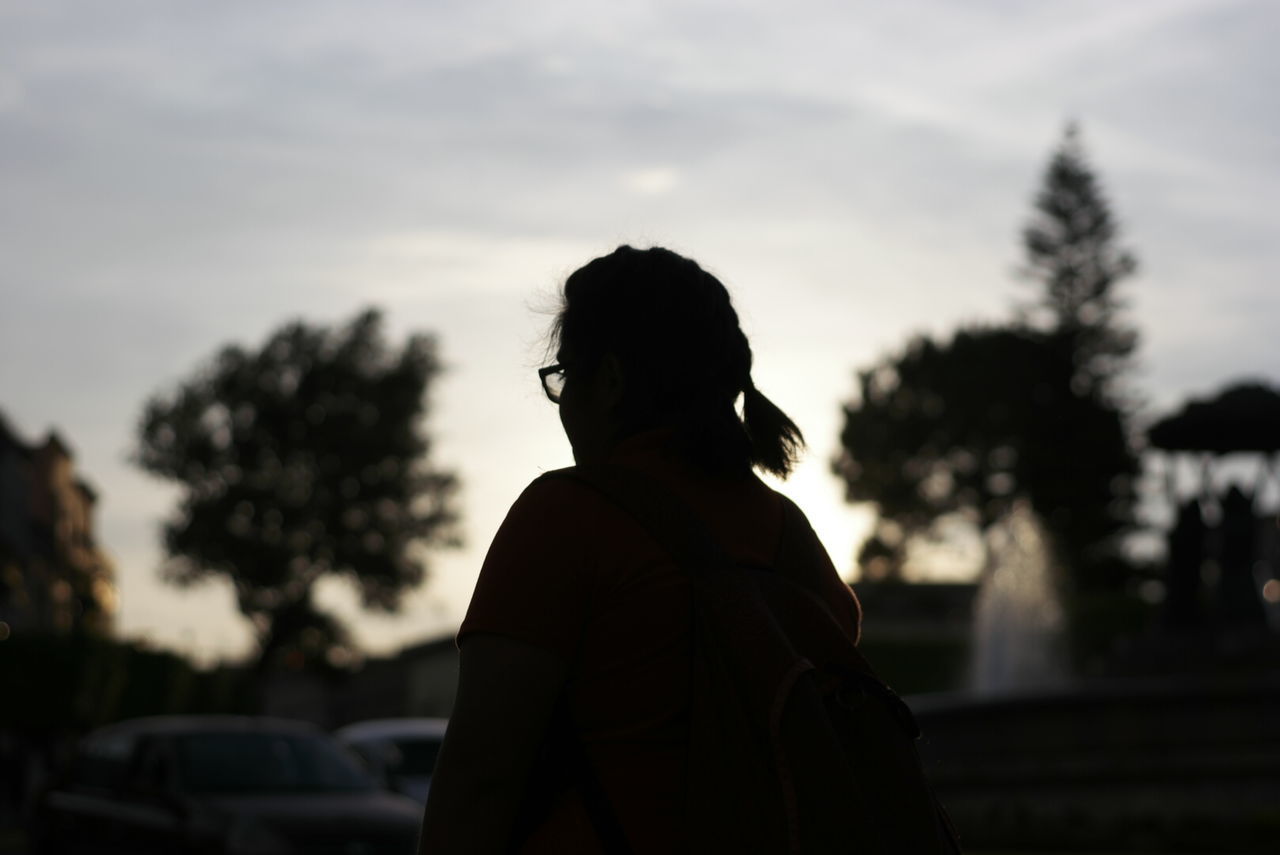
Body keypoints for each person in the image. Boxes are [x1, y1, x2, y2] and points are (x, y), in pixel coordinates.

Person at [417, 246, 861, 854]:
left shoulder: (567, 515)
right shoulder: (792, 535)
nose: (563, 404)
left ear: (610, 381)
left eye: (564, 376)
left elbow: (477, 780)